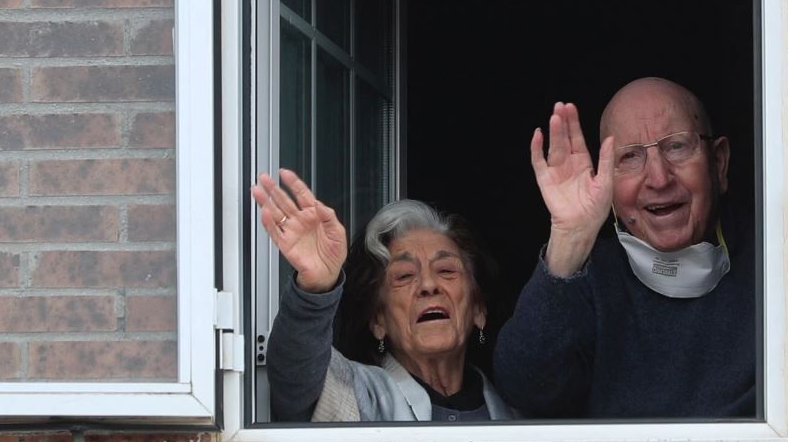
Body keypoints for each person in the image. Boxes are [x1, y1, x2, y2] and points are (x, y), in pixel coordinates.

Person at [493, 77, 756, 419]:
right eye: (630, 157)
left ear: (718, 164)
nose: (659, 178)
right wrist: (569, 239)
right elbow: (525, 389)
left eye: (676, 146)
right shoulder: (590, 275)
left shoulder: (776, 259)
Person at [253, 169, 517, 422]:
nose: (428, 284)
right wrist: (315, 288)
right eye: (404, 276)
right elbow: (295, 378)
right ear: (378, 320)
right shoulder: (358, 396)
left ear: (478, 309)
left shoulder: (519, 416)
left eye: (446, 270)